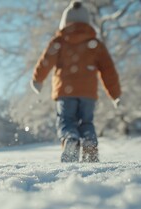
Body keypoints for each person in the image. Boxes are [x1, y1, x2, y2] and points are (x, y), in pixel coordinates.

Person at [30, 1, 121, 162]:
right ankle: (89, 144)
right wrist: (115, 94)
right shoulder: (95, 45)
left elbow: (45, 61)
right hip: (88, 93)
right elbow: (108, 70)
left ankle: (70, 139)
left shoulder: (59, 41)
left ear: (64, 21)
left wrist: (38, 80)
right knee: (86, 121)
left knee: (66, 120)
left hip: (65, 91)